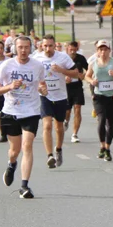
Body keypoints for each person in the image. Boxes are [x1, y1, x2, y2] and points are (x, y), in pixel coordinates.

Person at [0, 36, 48, 199]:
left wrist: (43, 90)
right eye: (20, 47)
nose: (23, 50)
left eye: (26, 47)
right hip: (10, 111)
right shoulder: (7, 65)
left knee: (27, 146)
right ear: (15, 48)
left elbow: (42, 84)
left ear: (31, 48)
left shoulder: (37, 66)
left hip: (31, 111)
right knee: (14, 151)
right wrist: (10, 86)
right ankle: (11, 164)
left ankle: (24, 186)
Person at [32, 34, 81, 168]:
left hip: (60, 96)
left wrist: (61, 70)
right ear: (42, 46)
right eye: (45, 46)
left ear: (55, 45)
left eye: (50, 45)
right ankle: (49, 156)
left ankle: (58, 149)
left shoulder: (62, 57)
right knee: (47, 125)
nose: (48, 48)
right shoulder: (36, 58)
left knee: (59, 126)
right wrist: (39, 86)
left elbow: (76, 73)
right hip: (44, 96)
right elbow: (31, 77)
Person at [85, 40, 113, 160]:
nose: (103, 52)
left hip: (112, 97)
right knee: (101, 120)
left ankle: (107, 147)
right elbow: (87, 76)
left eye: (105, 49)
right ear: (97, 51)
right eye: (101, 49)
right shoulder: (93, 63)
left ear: (109, 50)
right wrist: (92, 81)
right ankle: (102, 146)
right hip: (99, 96)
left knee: (110, 123)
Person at [63, 41, 89, 144]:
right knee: (67, 111)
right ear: (67, 49)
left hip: (77, 87)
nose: (73, 52)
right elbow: (57, 71)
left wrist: (84, 76)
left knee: (77, 109)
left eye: (74, 49)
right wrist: (64, 77)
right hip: (66, 88)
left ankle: (74, 134)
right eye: (71, 49)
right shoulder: (63, 59)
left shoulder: (80, 58)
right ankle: (66, 121)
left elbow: (88, 69)